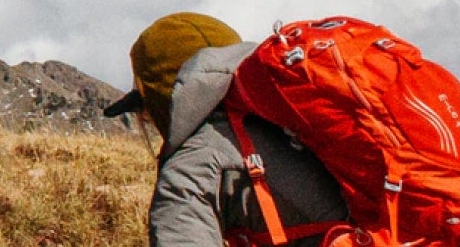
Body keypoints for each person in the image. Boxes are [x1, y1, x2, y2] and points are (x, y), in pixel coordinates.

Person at [104, 13, 349, 247]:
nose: (146, 120)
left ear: (163, 100)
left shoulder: (192, 165)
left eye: (145, 113)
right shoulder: (298, 118)